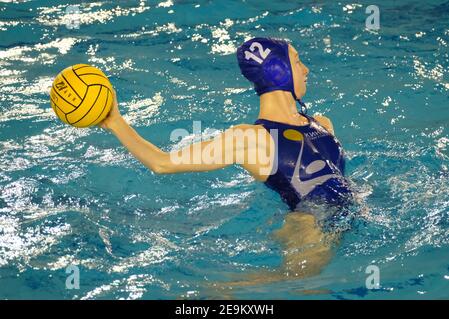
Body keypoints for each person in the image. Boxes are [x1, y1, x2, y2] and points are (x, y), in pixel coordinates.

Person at [99, 37, 352, 285]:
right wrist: (115, 122)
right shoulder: (250, 139)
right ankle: (223, 290)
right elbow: (162, 163)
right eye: (297, 62)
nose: (306, 69)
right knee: (303, 284)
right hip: (309, 228)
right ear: (279, 70)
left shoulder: (322, 123)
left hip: (348, 216)